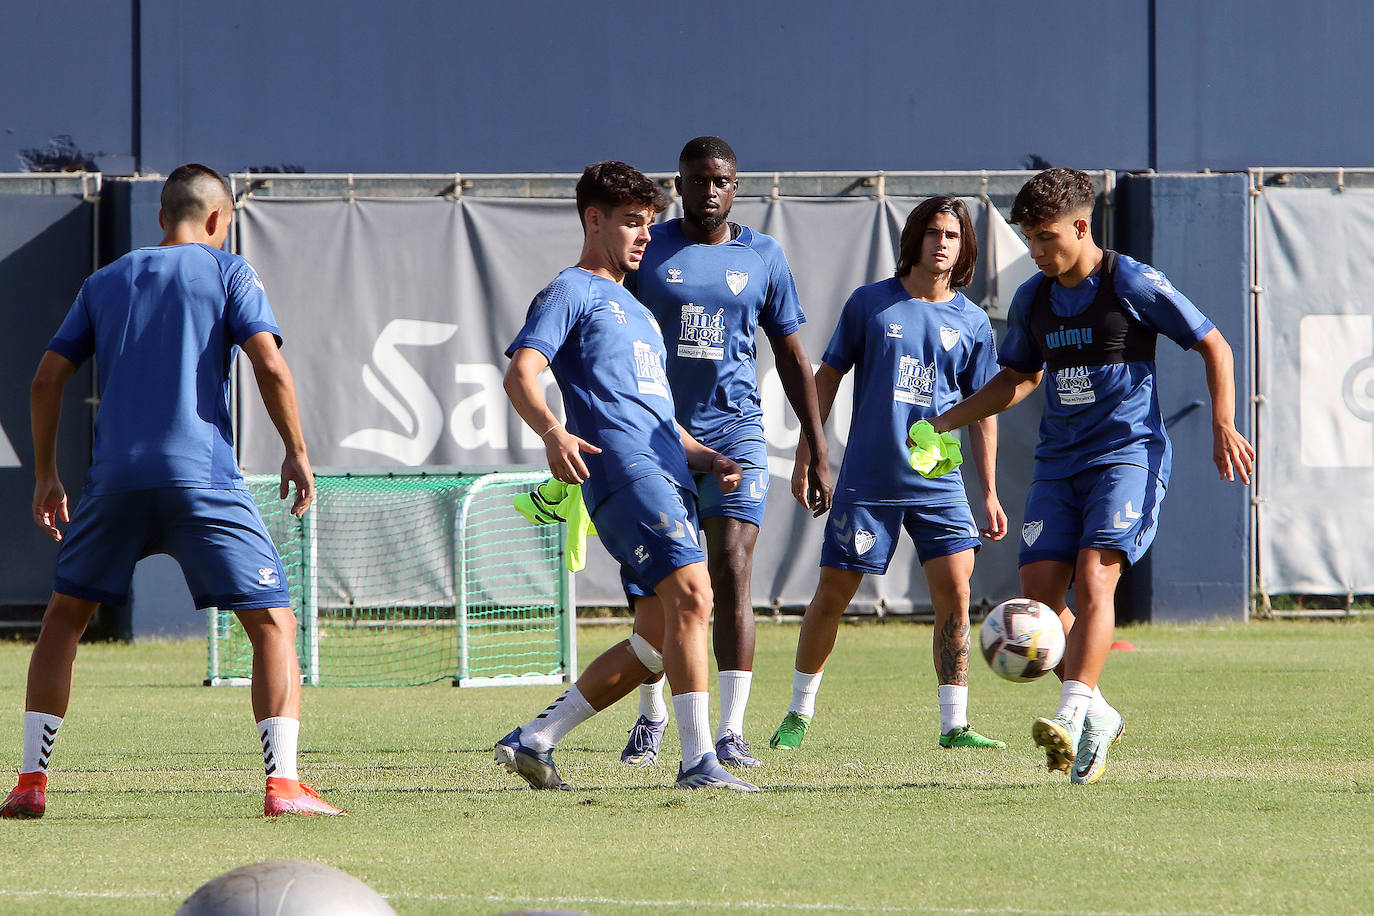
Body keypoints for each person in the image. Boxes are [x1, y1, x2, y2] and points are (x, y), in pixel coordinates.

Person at [1, 164, 342, 819]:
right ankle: (284, 786)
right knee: (272, 622)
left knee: (63, 622)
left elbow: (46, 379)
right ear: (219, 220)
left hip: (114, 482)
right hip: (203, 479)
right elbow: (269, 363)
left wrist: (46, 474)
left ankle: (29, 783)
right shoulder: (230, 270)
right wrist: (296, 452)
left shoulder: (105, 280)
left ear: (162, 219)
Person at [930, 168, 1254, 784]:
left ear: (1081, 226)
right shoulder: (1034, 298)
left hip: (1126, 455)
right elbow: (1019, 378)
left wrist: (1222, 424)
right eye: (1029, 239)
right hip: (1059, 463)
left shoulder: (1126, 280)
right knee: (1042, 599)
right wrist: (946, 421)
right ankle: (1100, 713)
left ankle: (1073, 710)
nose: (1037, 251)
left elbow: (1214, 344)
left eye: (1047, 238)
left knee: (1094, 577)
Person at [496, 160, 758, 792]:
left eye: (649, 222)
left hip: (666, 472)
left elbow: (656, 417)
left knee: (658, 636)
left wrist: (707, 457)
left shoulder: (638, 311)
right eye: (632, 222)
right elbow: (522, 373)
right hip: (625, 474)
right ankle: (699, 762)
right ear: (593, 220)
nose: (645, 234)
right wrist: (554, 432)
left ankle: (534, 741)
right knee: (696, 597)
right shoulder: (573, 291)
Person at [618, 136, 831, 769]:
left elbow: (793, 357)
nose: (710, 191)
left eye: (723, 181)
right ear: (677, 183)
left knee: (731, 570)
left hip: (736, 434)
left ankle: (730, 731)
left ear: (736, 186)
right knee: (659, 586)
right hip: (659, 435)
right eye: (698, 180)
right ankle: (652, 716)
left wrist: (816, 450)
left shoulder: (763, 255)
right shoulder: (648, 250)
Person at [769, 196, 1008, 754]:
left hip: (940, 486)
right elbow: (825, 378)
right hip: (869, 481)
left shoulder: (972, 321)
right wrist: (810, 448)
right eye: (932, 232)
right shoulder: (872, 304)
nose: (941, 242)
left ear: (964, 246)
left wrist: (991, 492)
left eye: (952, 234)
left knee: (955, 593)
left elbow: (984, 410)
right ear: (914, 240)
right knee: (832, 594)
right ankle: (798, 713)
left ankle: (954, 725)